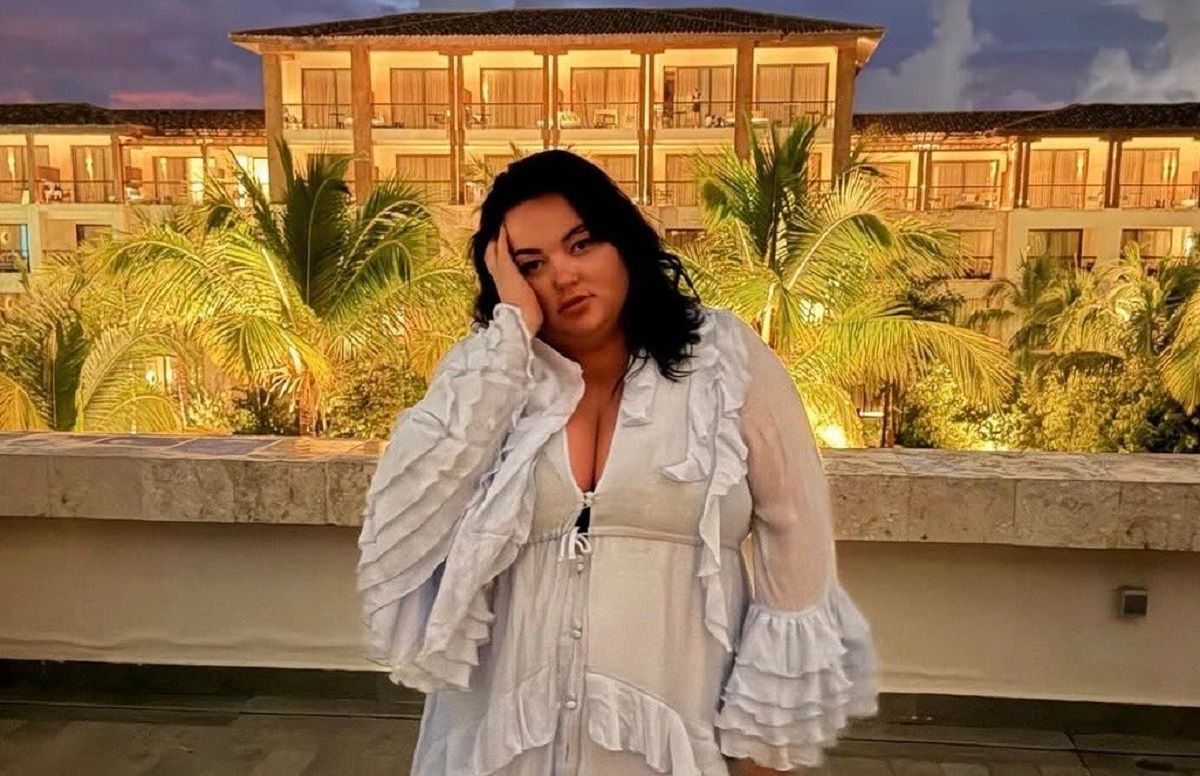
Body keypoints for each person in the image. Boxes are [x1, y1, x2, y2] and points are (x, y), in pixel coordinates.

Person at [357, 149, 879, 775]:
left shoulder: (724, 359)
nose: (563, 275)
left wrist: (766, 746)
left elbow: (797, 539)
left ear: (622, 241)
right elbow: (407, 519)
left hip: (674, 726)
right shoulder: (488, 375)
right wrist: (509, 338)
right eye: (532, 265)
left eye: (581, 245)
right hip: (502, 738)